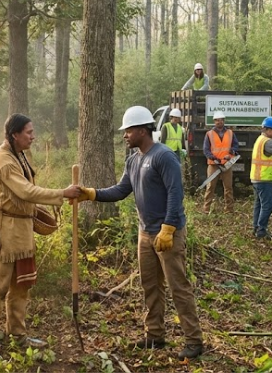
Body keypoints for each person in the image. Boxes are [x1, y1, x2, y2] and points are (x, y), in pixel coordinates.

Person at [77, 106, 204, 360]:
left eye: (128, 130)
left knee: (178, 286)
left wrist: (169, 227)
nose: (125, 135)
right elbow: (121, 190)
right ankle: (155, 334)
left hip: (168, 233)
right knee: (150, 285)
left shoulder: (163, 156)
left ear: (143, 130)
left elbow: (175, 193)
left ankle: (193, 340)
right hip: (145, 234)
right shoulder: (133, 160)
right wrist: (92, 194)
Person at [0, 114, 80, 360]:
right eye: (29, 132)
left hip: (21, 232)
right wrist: (62, 193)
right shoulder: (3, 160)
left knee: (21, 286)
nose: (33, 137)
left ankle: (18, 335)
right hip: (3, 232)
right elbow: (26, 191)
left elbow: (24, 193)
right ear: (15, 134)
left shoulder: (19, 154)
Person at [202, 111, 239, 212]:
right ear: (214, 121)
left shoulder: (230, 133)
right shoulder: (209, 134)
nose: (219, 122)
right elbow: (206, 150)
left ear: (224, 121)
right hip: (213, 164)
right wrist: (213, 158)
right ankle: (206, 209)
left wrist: (231, 152)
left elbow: (235, 146)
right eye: (217, 120)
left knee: (228, 187)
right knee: (210, 187)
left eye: (221, 120)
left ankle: (229, 209)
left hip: (227, 164)